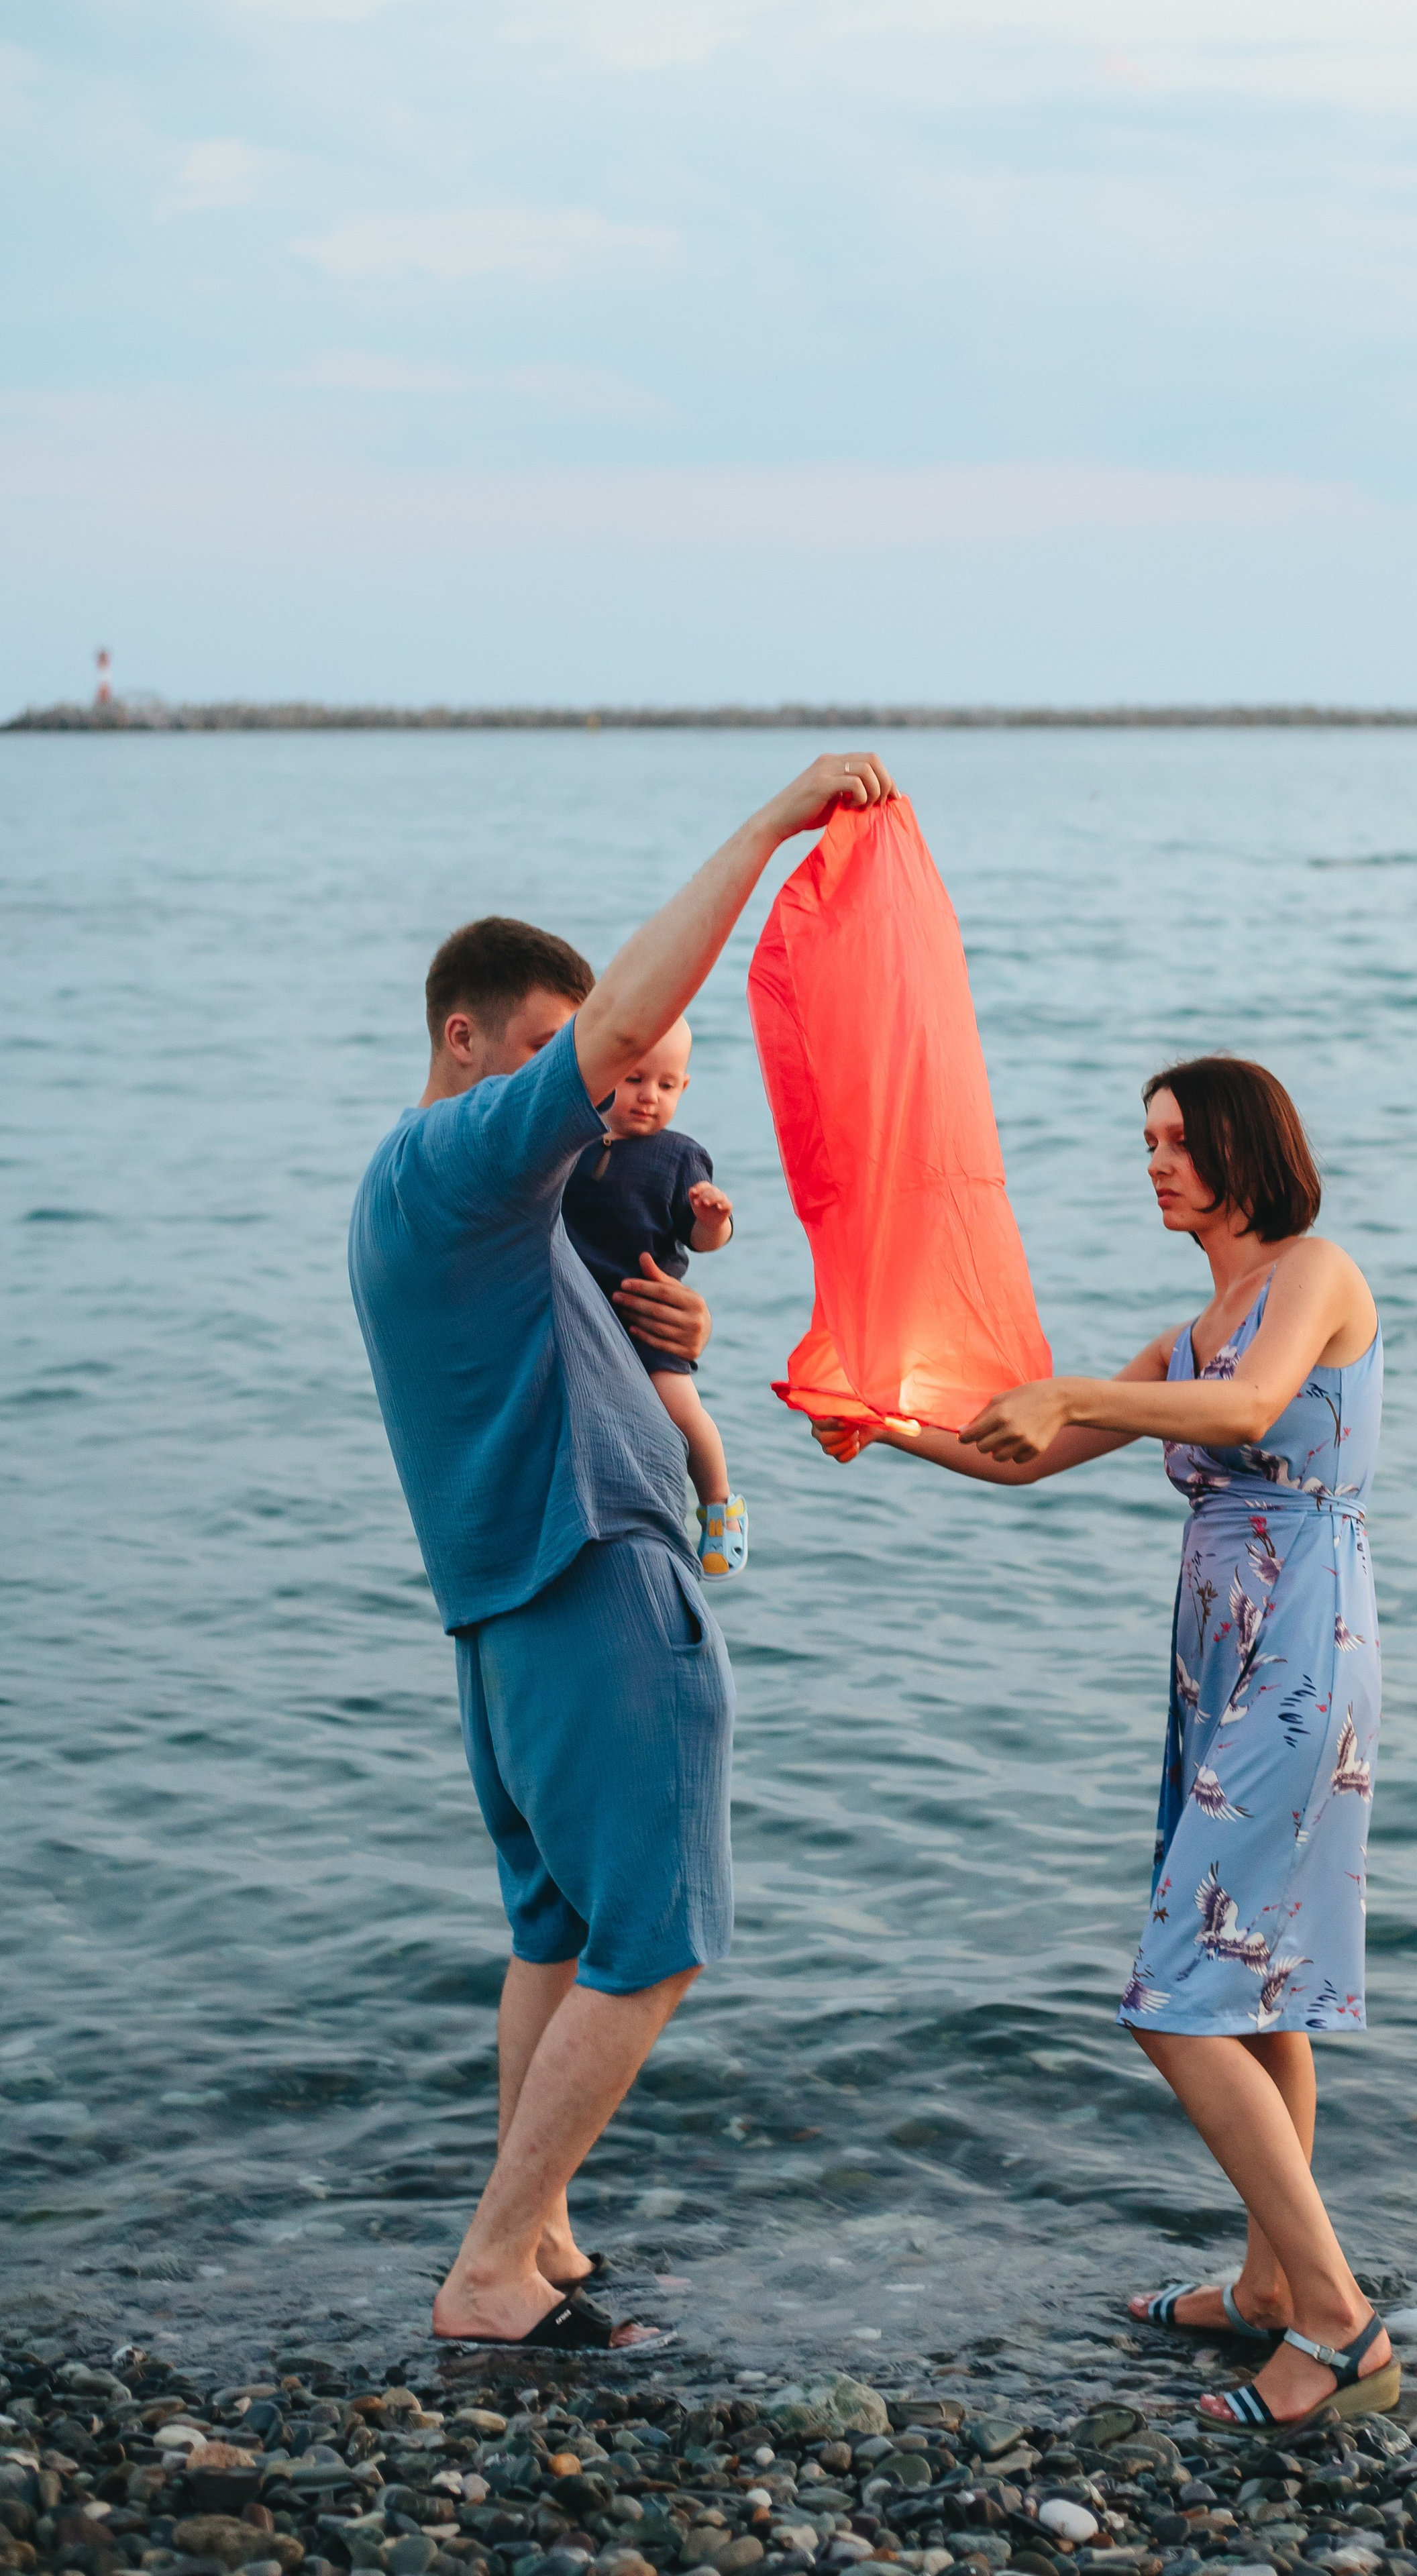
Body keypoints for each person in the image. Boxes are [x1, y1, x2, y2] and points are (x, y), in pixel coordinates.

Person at [348, 750, 896, 2352]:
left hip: (501, 1612)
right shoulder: (470, 1153)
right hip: (591, 1576)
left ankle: (548, 2238)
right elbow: (615, 1035)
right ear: (468, 1039)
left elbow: (566, 1335)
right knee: (657, 1942)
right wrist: (764, 827)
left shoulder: (424, 1189)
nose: (579, 1096)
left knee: (556, 1932)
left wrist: (673, 1322)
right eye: (540, 1055)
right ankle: (493, 2263)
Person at [809, 1056, 1397, 2432]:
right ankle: (1264, 2285)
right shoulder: (1189, 1328)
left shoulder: (1312, 1275)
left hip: (1302, 1649)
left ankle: (1334, 2321)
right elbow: (1026, 1451)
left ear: (1246, 1146)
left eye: (1178, 1141)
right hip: (1220, 1658)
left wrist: (1071, 1382)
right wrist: (875, 1424)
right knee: (1256, 1978)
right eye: (1144, 1143)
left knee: (1176, 1991)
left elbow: (1249, 1412)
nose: (1154, 1164)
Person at [561, 1015, 747, 1580]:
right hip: (578, 1314)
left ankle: (719, 1506)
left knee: (682, 1410)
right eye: (636, 1079)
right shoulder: (568, 1143)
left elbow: (700, 1237)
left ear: (684, 1089)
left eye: (667, 1087)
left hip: (646, 1319)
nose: (649, 1098)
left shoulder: (678, 1157)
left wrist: (715, 1219)